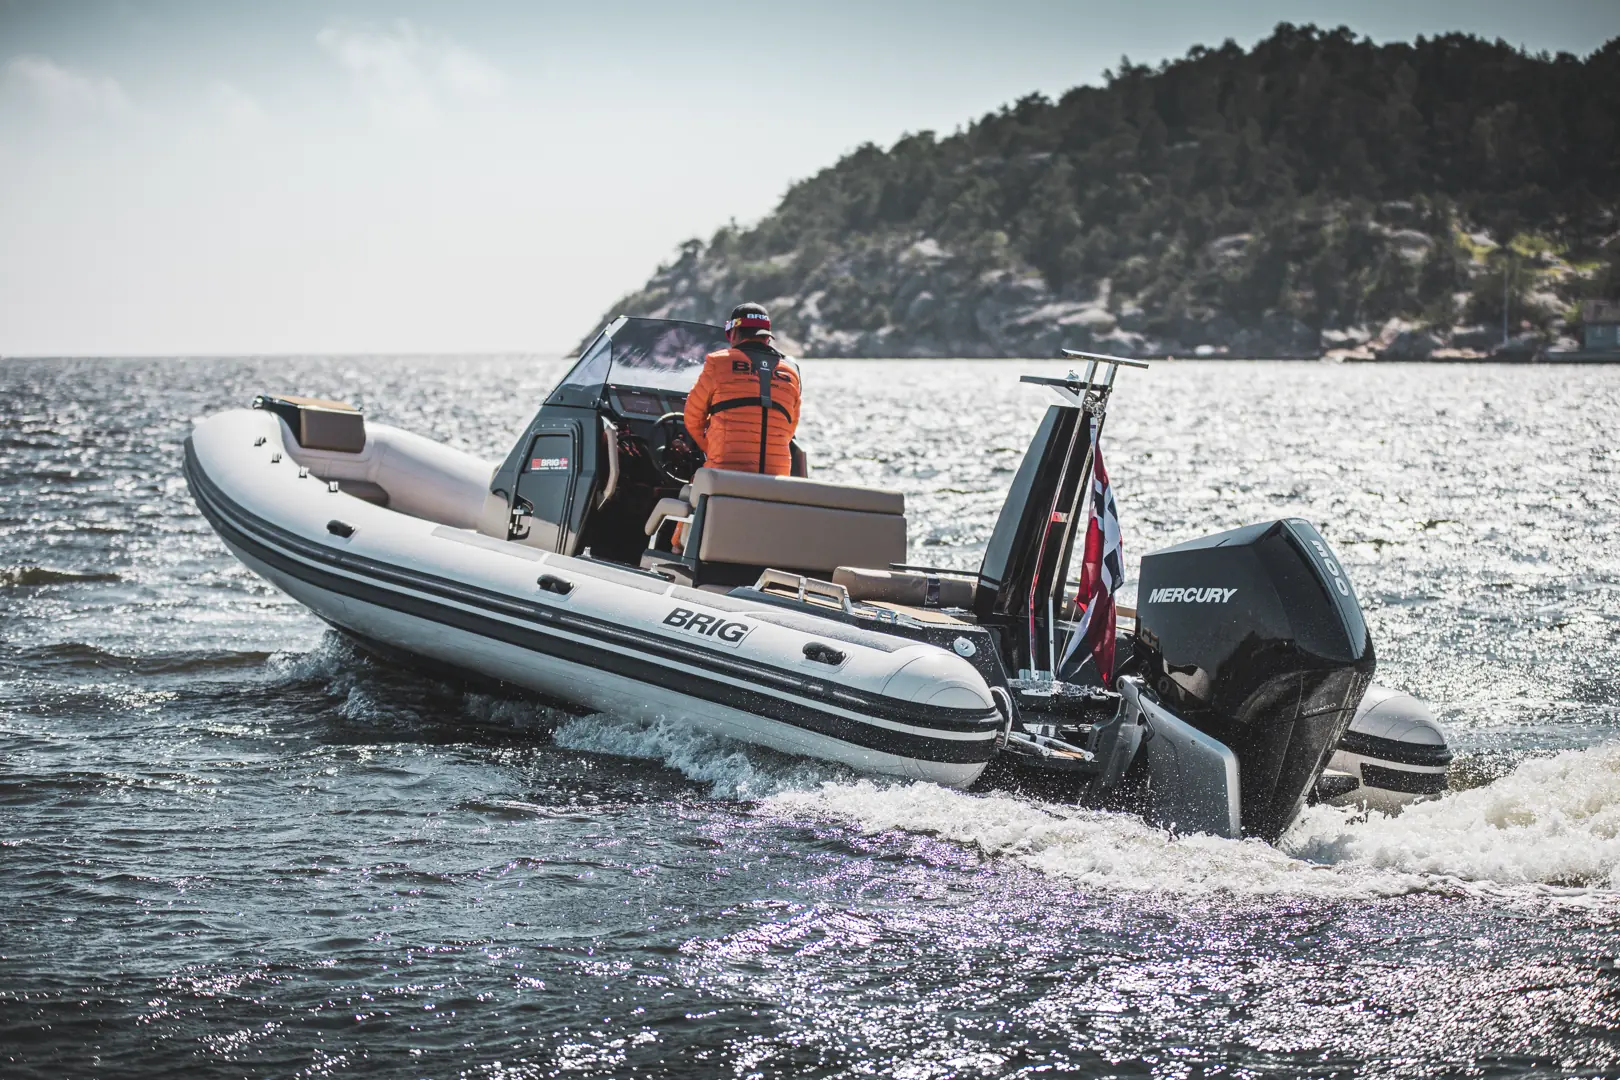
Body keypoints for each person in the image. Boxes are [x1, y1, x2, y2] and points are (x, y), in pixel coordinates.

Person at [683, 302, 802, 475]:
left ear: (734, 333)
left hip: (725, 475)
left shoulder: (718, 362)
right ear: (766, 337)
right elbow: (790, 428)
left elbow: (693, 418)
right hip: (776, 479)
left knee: (679, 496)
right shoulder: (791, 373)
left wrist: (713, 450)